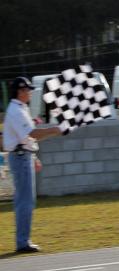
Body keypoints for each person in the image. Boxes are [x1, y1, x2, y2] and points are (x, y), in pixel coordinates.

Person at [3, 77, 62, 253]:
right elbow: (32, 133)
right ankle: (22, 242)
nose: (29, 92)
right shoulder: (16, 110)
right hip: (20, 157)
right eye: (27, 90)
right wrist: (55, 129)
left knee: (26, 200)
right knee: (25, 201)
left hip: (23, 155)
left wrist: (33, 155)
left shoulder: (20, 108)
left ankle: (23, 240)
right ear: (20, 91)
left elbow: (26, 137)